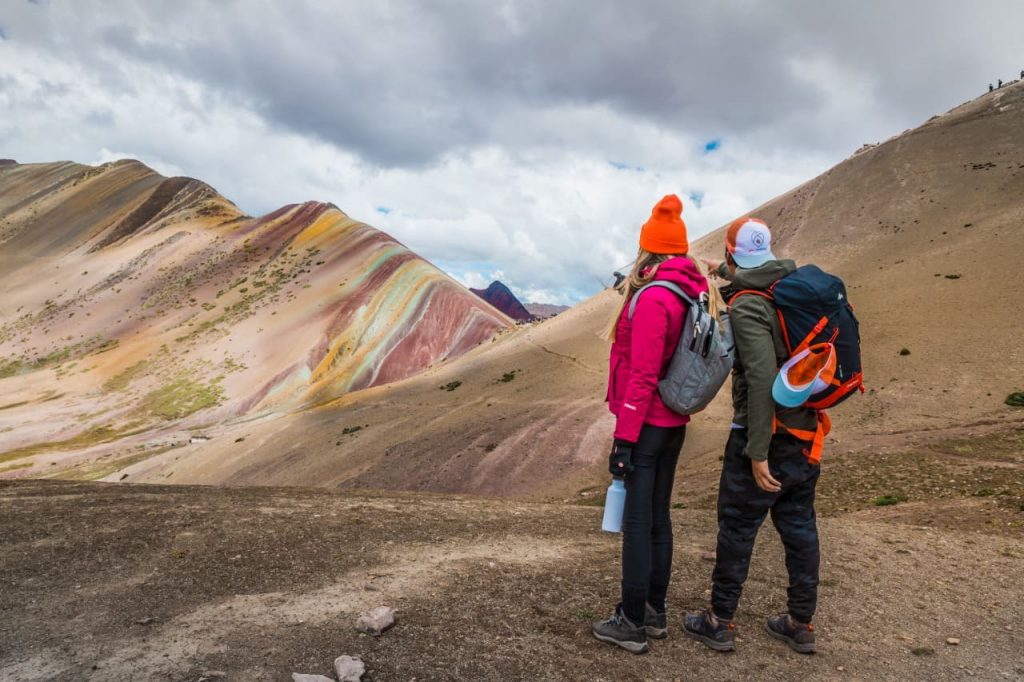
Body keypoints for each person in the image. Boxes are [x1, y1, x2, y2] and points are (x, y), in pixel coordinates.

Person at [683, 218, 823, 654]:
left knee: (738, 528)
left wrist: (756, 451)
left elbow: (762, 376)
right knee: (799, 526)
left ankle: (718, 620)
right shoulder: (792, 285)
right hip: (806, 431)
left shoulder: (747, 305)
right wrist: (726, 273)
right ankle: (800, 624)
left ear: (731, 252)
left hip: (765, 434)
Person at [591, 194, 721, 654]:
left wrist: (623, 441)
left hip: (647, 423)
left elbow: (643, 375)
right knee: (658, 517)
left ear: (647, 249)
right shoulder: (691, 290)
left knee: (638, 520)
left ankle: (630, 621)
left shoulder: (654, 298)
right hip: (673, 422)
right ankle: (654, 612)